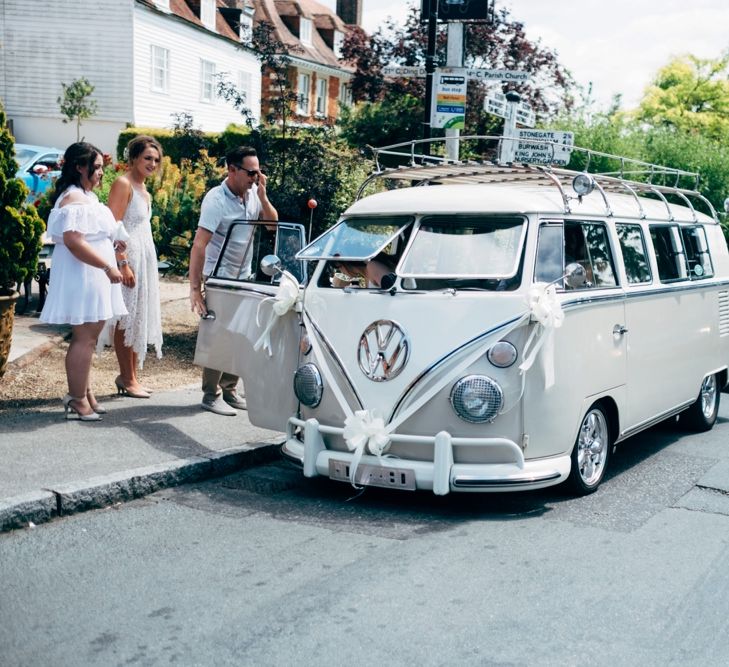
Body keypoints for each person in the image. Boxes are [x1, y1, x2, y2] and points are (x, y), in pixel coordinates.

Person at [39, 142, 127, 421]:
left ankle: (84, 392)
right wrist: (106, 267)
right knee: (84, 338)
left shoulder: (85, 197)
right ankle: (76, 399)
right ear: (79, 167)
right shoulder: (73, 199)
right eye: (97, 167)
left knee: (89, 338)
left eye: (102, 166)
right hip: (85, 274)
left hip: (93, 275)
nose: (101, 172)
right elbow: (73, 241)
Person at [189, 146, 278, 416]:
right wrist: (196, 288)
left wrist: (263, 197)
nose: (256, 177)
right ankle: (210, 394)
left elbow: (272, 226)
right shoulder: (216, 200)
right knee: (217, 336)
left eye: (259, 172)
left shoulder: (252, 196)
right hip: (220, 276)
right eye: (251, 172)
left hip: (244, 276)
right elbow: (199, 245)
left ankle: (229, 390)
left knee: (240, 335)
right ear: (232, 170)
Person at [104, 135, 164, 398]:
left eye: (156, 159)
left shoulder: (145, 190)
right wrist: (123, 263)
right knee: (124, 318)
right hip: (128, 261)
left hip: (145, 259)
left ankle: (133, 377)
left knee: (138, 317)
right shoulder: (123, 183)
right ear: (133, 158)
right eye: (147, 158)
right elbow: (113, 227)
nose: (152, 163)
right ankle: (126, 377)